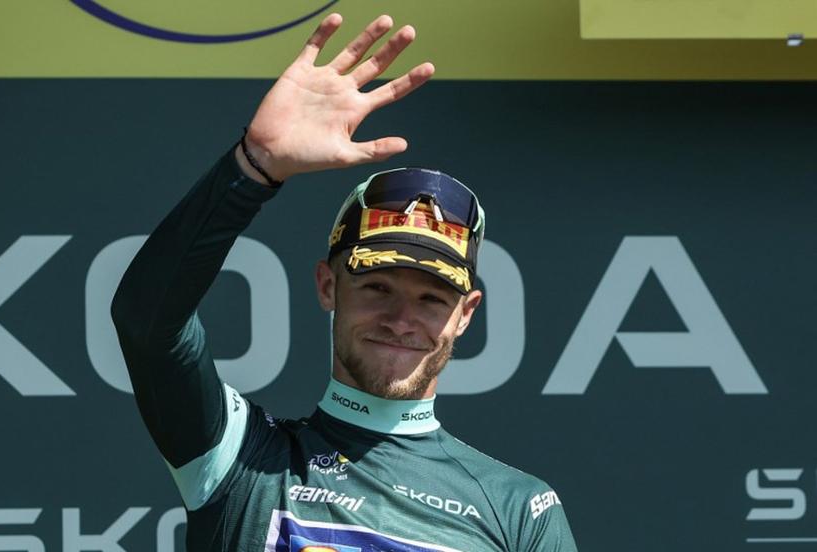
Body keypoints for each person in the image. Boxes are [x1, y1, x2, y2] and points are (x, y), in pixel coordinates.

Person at [111, 13, 577, 551]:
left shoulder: (519, 510)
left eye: (431, 298)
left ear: (465, 314)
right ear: (328, 286)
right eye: (377, 288)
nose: (402, 320)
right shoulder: (241, 457)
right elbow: (147, 322)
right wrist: (254, 167)